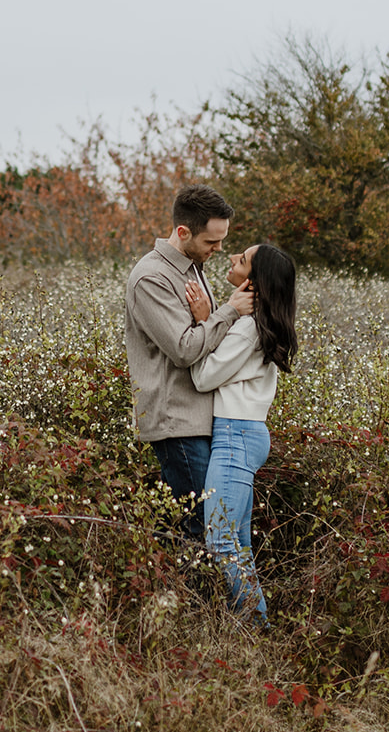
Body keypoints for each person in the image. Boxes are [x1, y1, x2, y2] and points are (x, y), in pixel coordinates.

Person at [124, 184, 255, 544]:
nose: (219, 250)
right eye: (212, 242)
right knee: (204, 528)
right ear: (183, 232)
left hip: (200, 418)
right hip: (175, 422)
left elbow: (204, 336)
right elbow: (183, 349)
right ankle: (201, 601)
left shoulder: (193, 267)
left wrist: (211, 317)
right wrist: (228, 311)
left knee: (199, 525)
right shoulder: (152, 277)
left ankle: (183, 597)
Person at [186, 242, 298, 623]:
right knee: (239, 544)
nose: (232, 257)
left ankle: (258, 626)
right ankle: (252, 629)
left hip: (235, 435)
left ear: (254, 281)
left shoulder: (248, 328)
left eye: (242, 259)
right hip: (245, 434)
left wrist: (206, 321)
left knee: (219, 540)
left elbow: (202, 378)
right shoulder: (254, 325)